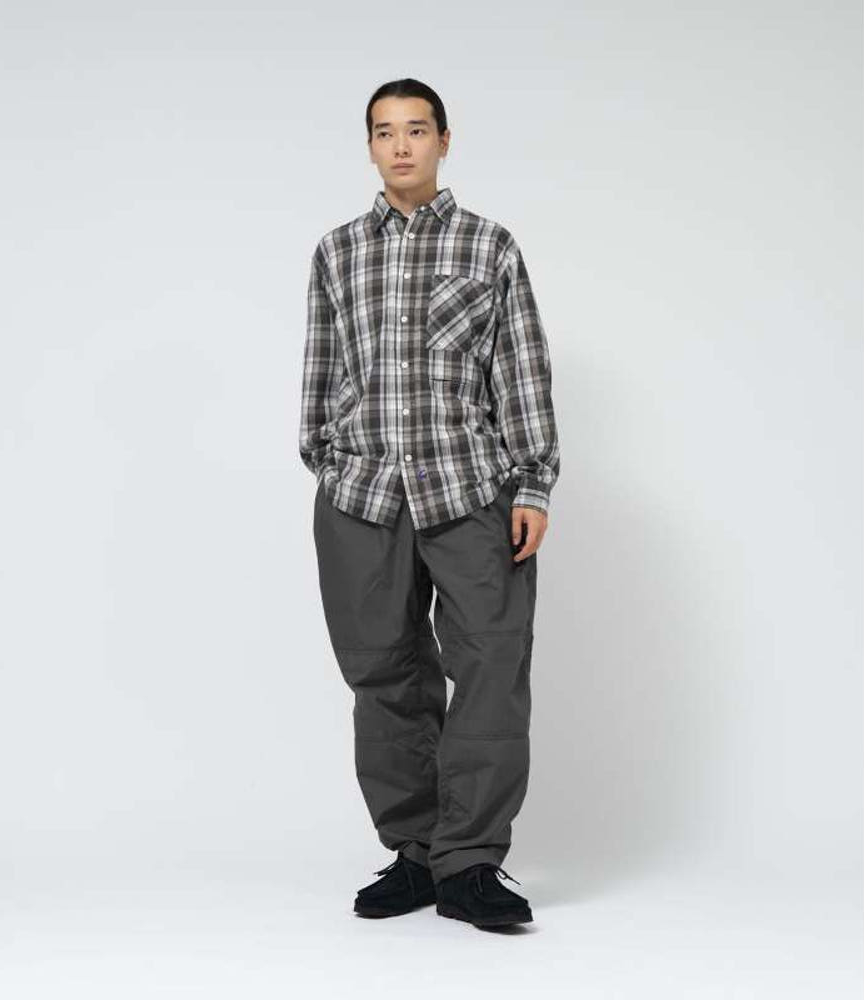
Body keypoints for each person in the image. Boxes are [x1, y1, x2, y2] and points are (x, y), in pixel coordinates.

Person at [298, 78, 560, 929]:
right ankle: (415, 853)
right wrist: (331, 464)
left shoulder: (489, 246)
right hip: (362, 495)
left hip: (469, 489)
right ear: (369, 146)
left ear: (445, 140)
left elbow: (520, 368)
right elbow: (322, 373)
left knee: (490, 665)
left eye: (416, 129)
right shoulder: (338, 252)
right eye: (385, 131)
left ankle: (471, 861)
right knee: (384, 673)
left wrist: (531, 482)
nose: (401, 145)